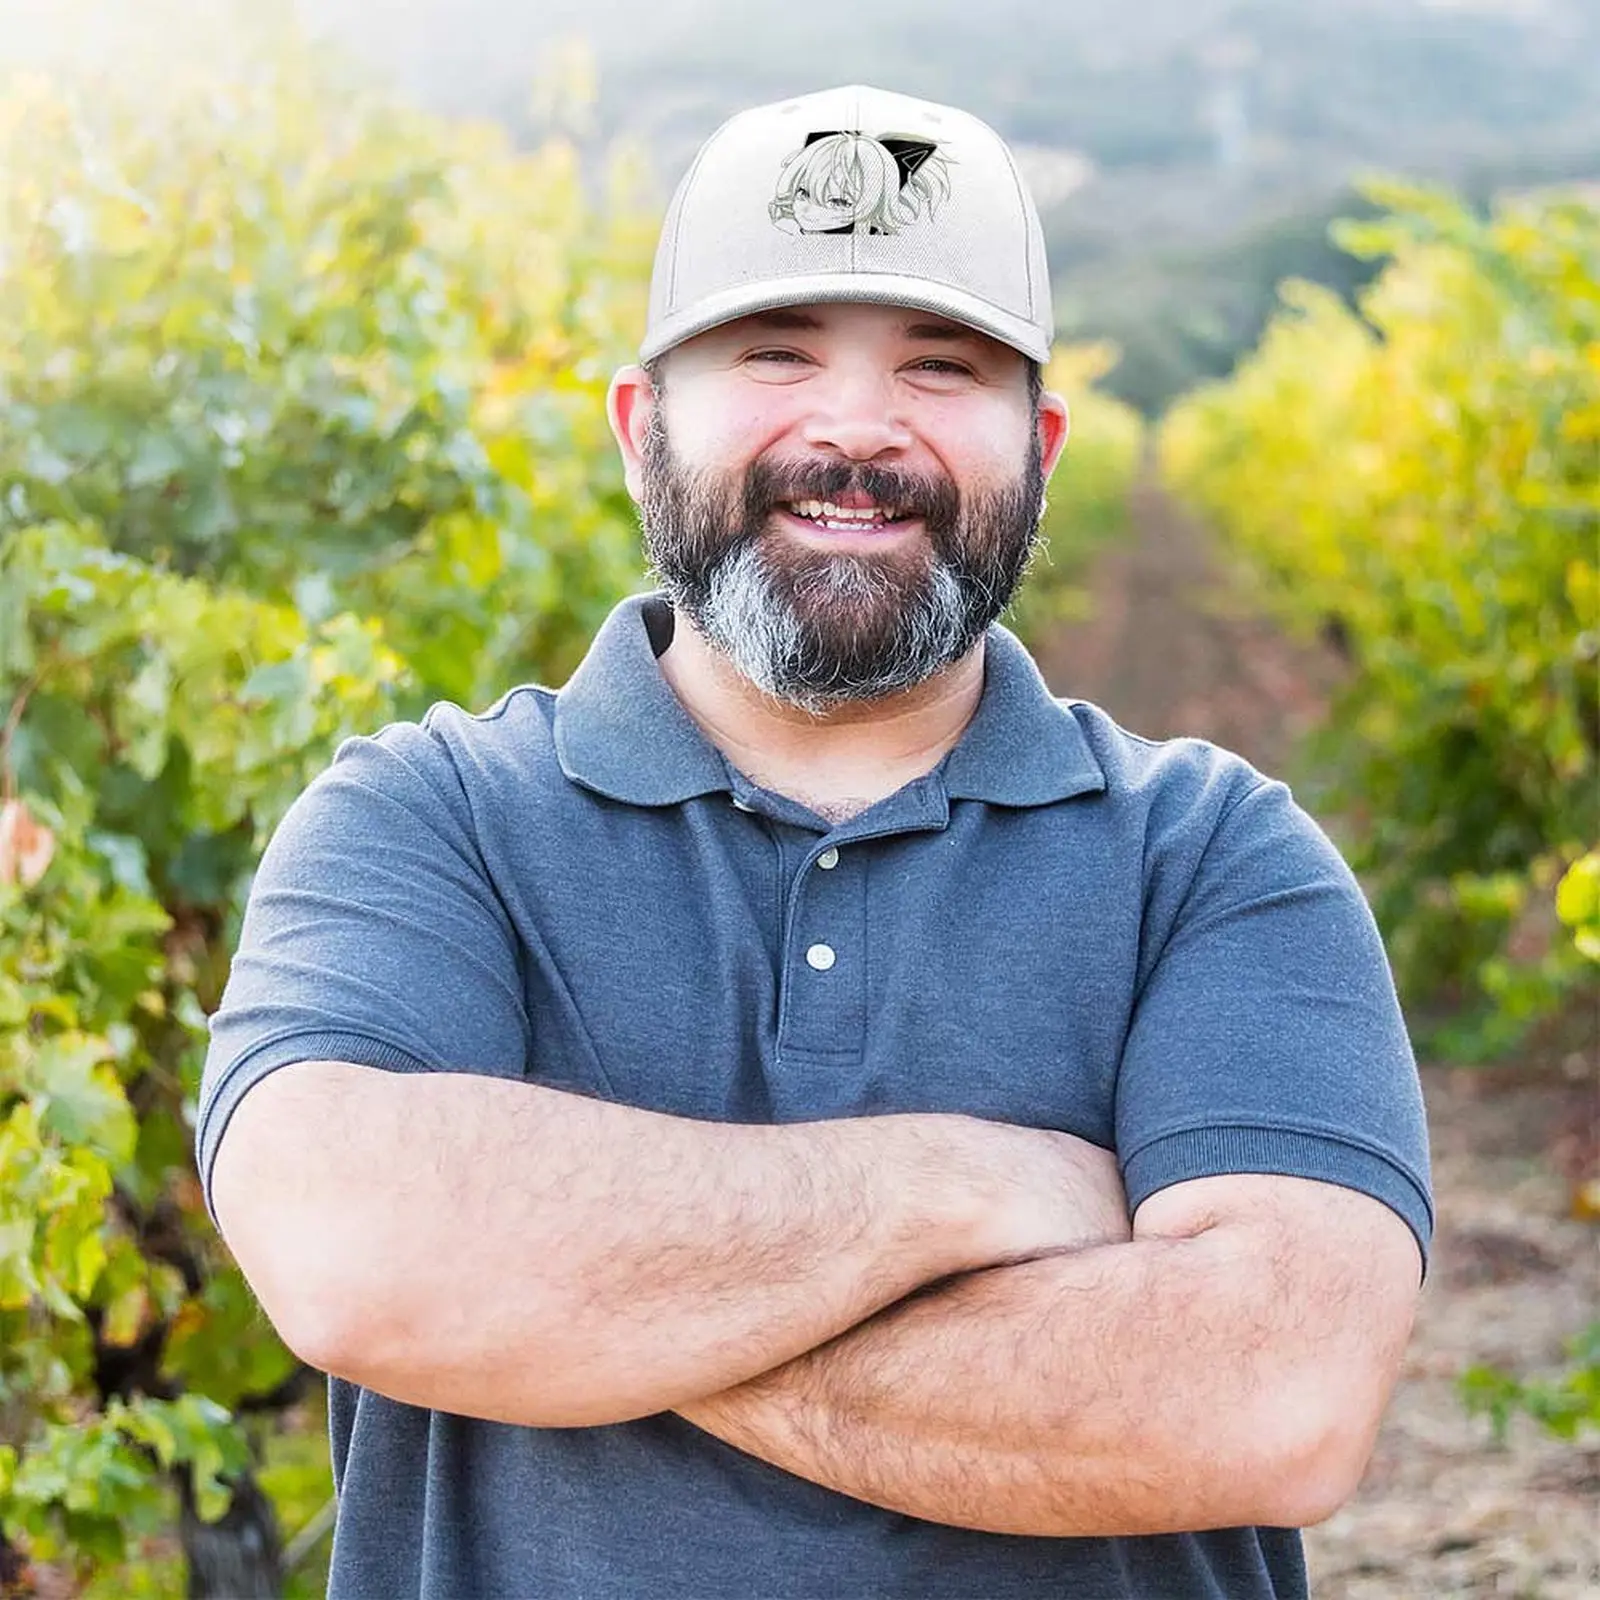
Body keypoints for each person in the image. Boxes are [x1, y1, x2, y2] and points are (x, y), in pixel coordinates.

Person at [201, 83, 1432, 1600]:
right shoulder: (422, 819)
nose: (858, 429)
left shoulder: (1217, 858)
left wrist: (564, 1303)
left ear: (1039, 447)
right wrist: (965, 1191)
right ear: (641, 430)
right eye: (775, 354)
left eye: (941, 366)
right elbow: (353, 1249)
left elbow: (1267, 1398)